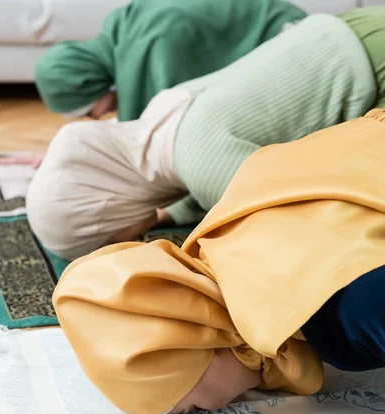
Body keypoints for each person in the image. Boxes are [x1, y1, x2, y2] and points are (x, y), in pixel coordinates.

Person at [53, 107, 385, 414]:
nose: (211, 413)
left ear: (203, 340)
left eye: (191, 408)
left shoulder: (329, 303)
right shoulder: (228, 231)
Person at [24, 10, 385, 260]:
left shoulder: (206, 171)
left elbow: (297, 226)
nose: (133, 239)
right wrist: (166, 215)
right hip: (351, 31)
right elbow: (212, 165)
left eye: (117, 239)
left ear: (109, 213)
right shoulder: (162, 114)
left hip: (374, 72)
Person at [34, 0, 306, 122]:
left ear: (88, 86)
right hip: (284, 30)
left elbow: (166, 127)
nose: (95, 118)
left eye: (87, 113)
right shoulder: (121, 30)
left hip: (295, 44)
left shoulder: (151, 46)